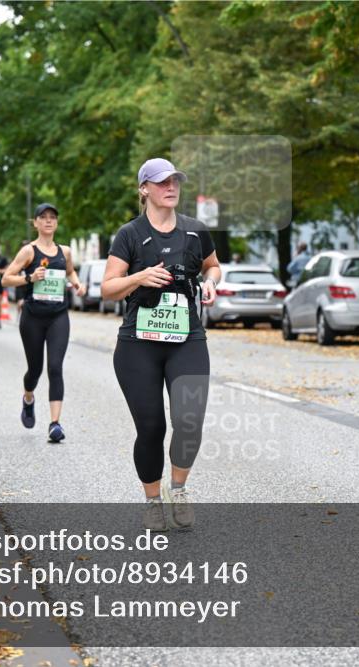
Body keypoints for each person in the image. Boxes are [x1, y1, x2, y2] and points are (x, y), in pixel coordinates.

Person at [101, 158, 221, 531]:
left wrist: (212, 281)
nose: (171, 187)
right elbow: (107, 287)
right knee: (151, 426)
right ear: (144, 189)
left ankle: (179, 489)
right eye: (161, 182)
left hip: (187, 338)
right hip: (139, 343)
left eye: (175, 181)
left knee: (189, 420)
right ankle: (153, 500)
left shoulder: (195, 231)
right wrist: (139, 276)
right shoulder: (130, 234)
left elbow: (212, 265)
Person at [2, 204, 86, 442]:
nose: (48, 221)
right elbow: (5, 279)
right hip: (33, 317)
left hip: (58, 315)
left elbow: (70, 272)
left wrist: (78, 284)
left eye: (52, 218)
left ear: (56, 223)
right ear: (36, 223)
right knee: (35, 370)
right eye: (43, 218)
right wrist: (29, 277)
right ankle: (28, 397)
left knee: (55, 367)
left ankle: (55, 424)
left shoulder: (65, 251)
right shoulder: (28, 251)